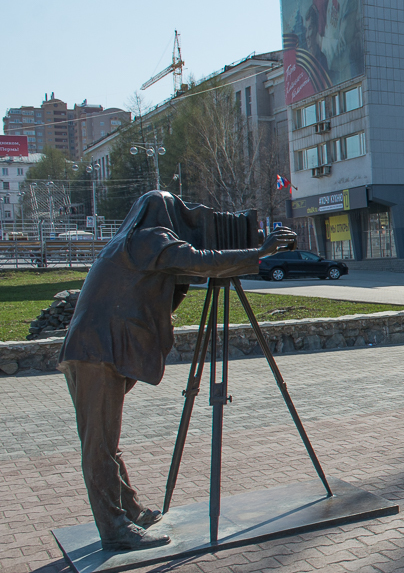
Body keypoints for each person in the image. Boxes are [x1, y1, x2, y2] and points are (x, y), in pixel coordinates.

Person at [58, 191, 297, 552]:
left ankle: (130, 510)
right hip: (98, 351)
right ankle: (114, 528)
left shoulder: (124, 243)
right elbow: (199, 261)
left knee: (104, 441)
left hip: (91, 349)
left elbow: (182, 269)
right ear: (165, 214)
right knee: (99, 446)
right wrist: (260, 251)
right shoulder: (148, 238)